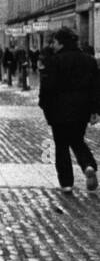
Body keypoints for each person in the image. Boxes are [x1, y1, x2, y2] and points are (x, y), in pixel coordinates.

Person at [38, 26, 100, 193]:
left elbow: (46, 88)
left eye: (55, 42)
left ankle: (66, 183)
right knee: (77, 140)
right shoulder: (89, 61)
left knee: (61, 146)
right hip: (82, 110)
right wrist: (95, 110)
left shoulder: (54, 62)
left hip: (59, 111)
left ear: (62, 43)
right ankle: (88, 165)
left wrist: (45, 107)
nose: (53, 45)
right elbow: (96, 88)